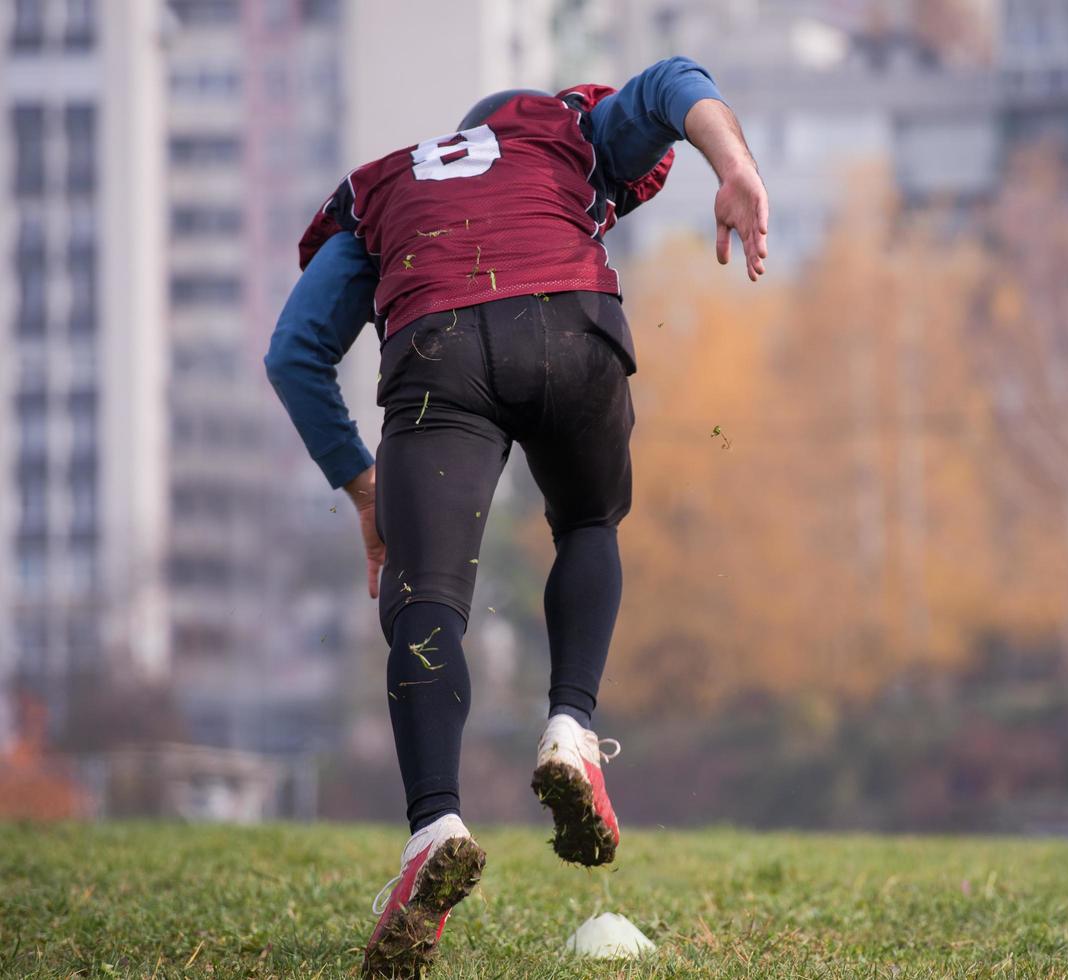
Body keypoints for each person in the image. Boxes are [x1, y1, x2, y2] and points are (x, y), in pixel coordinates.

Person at [263, 57, 767, 977]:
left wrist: (362, 486)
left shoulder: (384, 186)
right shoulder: (562, 131)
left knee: (425, 602)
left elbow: (296, 352)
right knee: (585, 525)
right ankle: (571, 728)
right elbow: (668, 83)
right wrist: (731, 163)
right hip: (570, 326)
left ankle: (433, 829)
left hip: (438, 347)